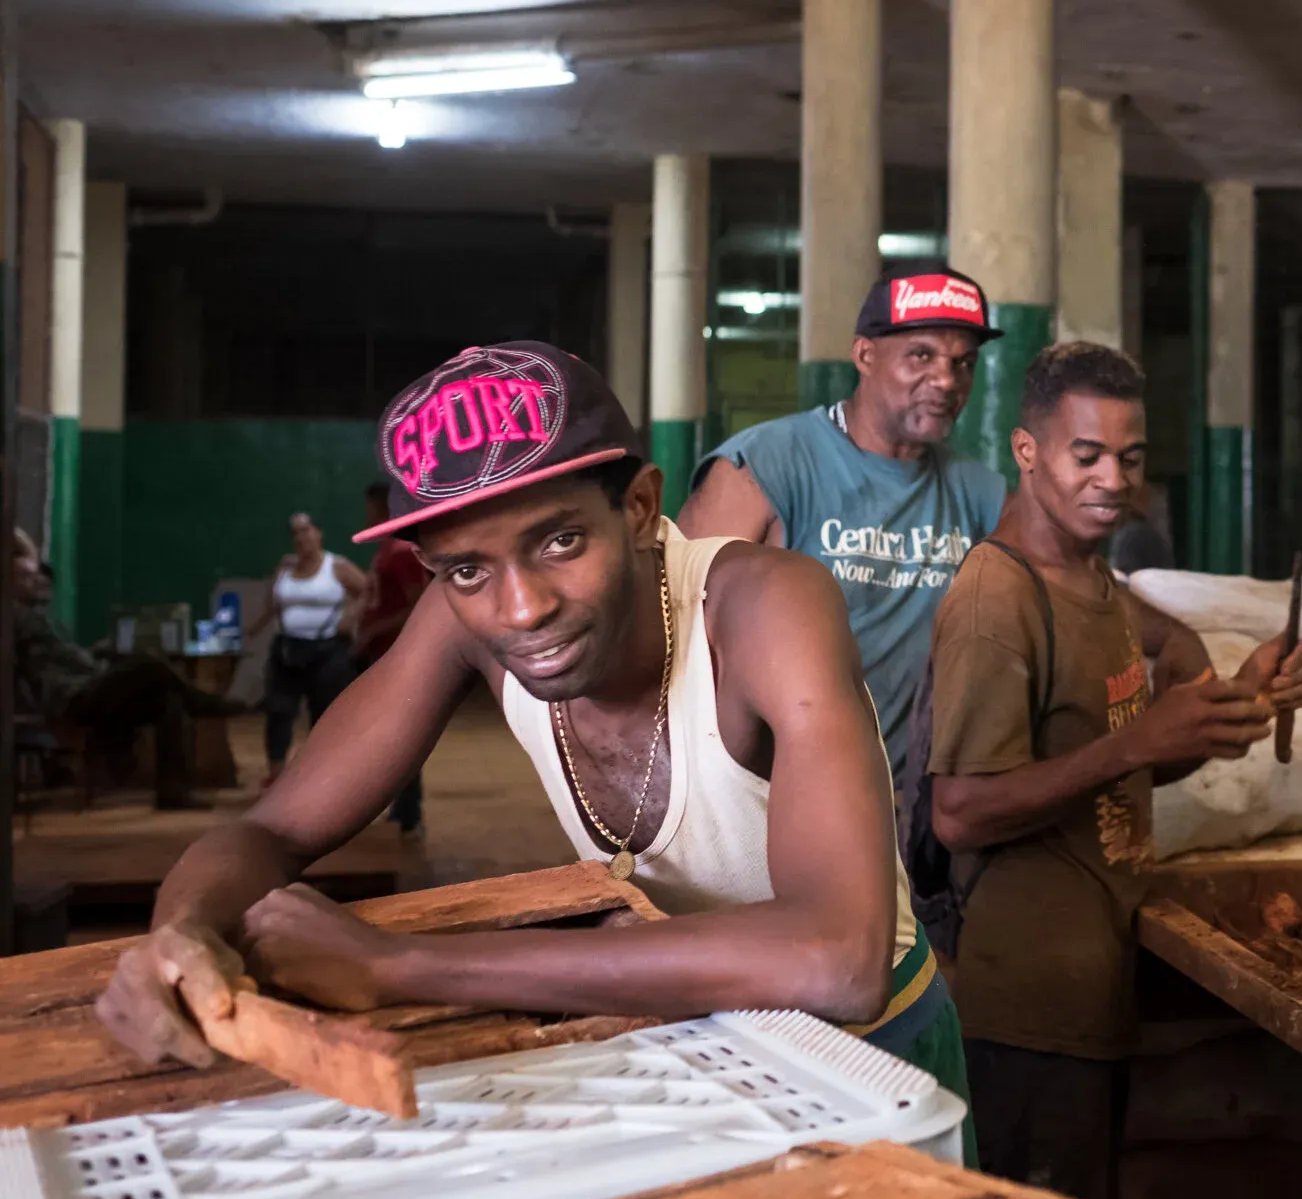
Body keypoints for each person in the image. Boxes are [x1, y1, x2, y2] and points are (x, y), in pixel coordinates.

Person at [93, 342, 968, 1123]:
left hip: (871, 1056)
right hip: (687, 1032)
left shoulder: (765, 605)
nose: (520, 608)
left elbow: (838, 958)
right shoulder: (461, 616)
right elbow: (273, 830)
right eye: (466, 568)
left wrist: (401, 965)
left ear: (636, 507)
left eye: (558, 542)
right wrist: (179, 941)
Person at [925, 342, 1302, 1199]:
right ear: (1028, 453)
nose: (1113, 479)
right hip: (1028, 1010)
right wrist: (1137, 743)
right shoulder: (999, 599)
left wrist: (1235, 711)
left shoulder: (1097, 585)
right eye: (1087, 455)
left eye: (1130, 458)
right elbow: (958, 812)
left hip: (1092, 992)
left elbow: (1109, 773)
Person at [678, 264, 1008, 772]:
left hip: (911, 797)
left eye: (963, 363)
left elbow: (1052, 589)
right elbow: (677, 628)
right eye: (921, 355)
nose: (946, 380)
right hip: (778, 792)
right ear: (865, 355)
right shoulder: (765, 466)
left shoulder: (979, 489)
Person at [12, 540, 241, 809]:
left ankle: (173, 792)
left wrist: (95, 652)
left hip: (91, 683)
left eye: (35, 574)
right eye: (26, 576)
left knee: (169, 700)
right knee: (149, 663)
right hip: (73, 697)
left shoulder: (40, 617)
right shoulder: (14, 615)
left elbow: (67, 658)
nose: (36, 580)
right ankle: (204, 702)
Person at [244, 512, 367, 785]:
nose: (301, 537)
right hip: (287, 648)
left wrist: (351, 616)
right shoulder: (286, 568)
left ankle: (321, 774)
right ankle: (276, 773)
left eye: (306, 530)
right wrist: (252, 630)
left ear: (319, 533)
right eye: (296, 532)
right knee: (278, 710)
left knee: (323, 712)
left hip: (327, 650)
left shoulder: (336, 566)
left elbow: (367, 590)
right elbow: (272, 604)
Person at [353, 480, 431, 838]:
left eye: (371, 507)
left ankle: (408, 812)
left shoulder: (401, 550)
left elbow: (419, 604)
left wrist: (374, 630)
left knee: (400, 735)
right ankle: (401, 808)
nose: (367, 513)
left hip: (393, 653)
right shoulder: (386, 548)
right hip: (378, 651)